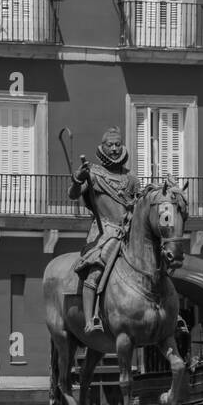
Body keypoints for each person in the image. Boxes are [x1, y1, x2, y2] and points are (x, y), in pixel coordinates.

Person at [68, 127, 141, 340]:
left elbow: (138, 204)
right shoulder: (94, 174)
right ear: (103, 147)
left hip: (130, 231)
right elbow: (72, 195)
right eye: (111, 145)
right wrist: (78, 179)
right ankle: (91, 319)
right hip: (106, 232)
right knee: (96, 270)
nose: (115, 149)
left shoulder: (131, 178)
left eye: (118, 144)